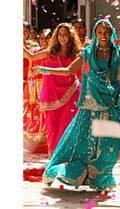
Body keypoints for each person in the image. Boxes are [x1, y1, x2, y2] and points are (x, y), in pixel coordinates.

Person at [34, 19, 120, 191]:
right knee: (84, 141)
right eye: (100, 32)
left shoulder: (118, 53)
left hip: (112, 104)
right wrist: (45, 70)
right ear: (95, 34)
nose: (103, 35)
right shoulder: (88, 51)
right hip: (90, 104)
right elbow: (69, 70)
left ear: (111, 33)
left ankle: (101, 175)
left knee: (109, 142)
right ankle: (78, 171)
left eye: (106, 32)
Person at [24, 22, 82, 156]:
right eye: (60, 35)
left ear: (71, 36)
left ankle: (68, 155)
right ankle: (54, 157)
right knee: (53, 124)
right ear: (56, 36)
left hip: (71, 91)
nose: (62, 38)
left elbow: (70, 71)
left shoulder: (76, 52)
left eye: (65, 35)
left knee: (68, 124)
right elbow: (31, 57)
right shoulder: (51, 51)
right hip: (52, 93)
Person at [23, 28, 53, 153]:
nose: (44, 40)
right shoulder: (34, 51)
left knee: (47, 116)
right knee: (33, 114)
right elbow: (29, 61)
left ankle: (48, 144)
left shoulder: (52, 52)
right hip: (33, 88)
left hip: (48, 88)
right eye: (41, 38)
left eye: (47, 38)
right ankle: (33, 144)